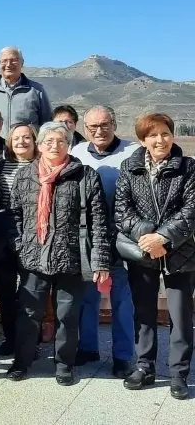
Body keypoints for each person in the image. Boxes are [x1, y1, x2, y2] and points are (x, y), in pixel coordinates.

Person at [7, 121, 110, 385]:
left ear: (69, 144)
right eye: (49, 141)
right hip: (32, 258)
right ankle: (22, 361)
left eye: (61, 141)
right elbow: (14, 216)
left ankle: (65, 364)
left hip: (71, 259)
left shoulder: (85, 175)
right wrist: (20, 245)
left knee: (68, 315)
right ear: (39, 145)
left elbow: (99, 221)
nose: (55, 146)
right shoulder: (24, 175)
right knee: (29, 314)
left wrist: (99, 260)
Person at [115, 112, 195, 400]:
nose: (160, 139)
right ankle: (145, 367)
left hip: (180, 253)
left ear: (172, 136)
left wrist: (164, 238)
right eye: (152, 135)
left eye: (165, 133)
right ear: (142, 139)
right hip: (143, 254)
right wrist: (147, 238)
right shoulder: (130, 167)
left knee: (181, 317)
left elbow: (191, 210)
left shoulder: (189, 167)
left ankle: (178, 374)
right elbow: (122, 211)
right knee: (144, 313)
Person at [69, 106, 138, 378]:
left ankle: (123, 356)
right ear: (85, 129)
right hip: (87, 239)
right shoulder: (77, 153)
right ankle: (88, 347)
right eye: (92, 127)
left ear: (114, 124)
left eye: (104, 125)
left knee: (122, 298)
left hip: (121, 237)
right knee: (87, 297)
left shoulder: (133, 153)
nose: (99, 131)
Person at [0, 122, 38, 355]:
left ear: (34, 140)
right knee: (5, 291)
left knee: (29, 291)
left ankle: (29, 341)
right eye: (16, 138)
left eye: (27, 137)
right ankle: (10, 337)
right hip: (1, 236)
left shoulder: (42, 165)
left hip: (32, 235)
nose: (21, 142)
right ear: (9, 141)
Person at [0, 46, 52, 138]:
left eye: (13, 60)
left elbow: (47, 124)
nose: (8, 64)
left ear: (22, 63)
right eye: (4, 61)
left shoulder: (37, 91)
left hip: (25, 148)